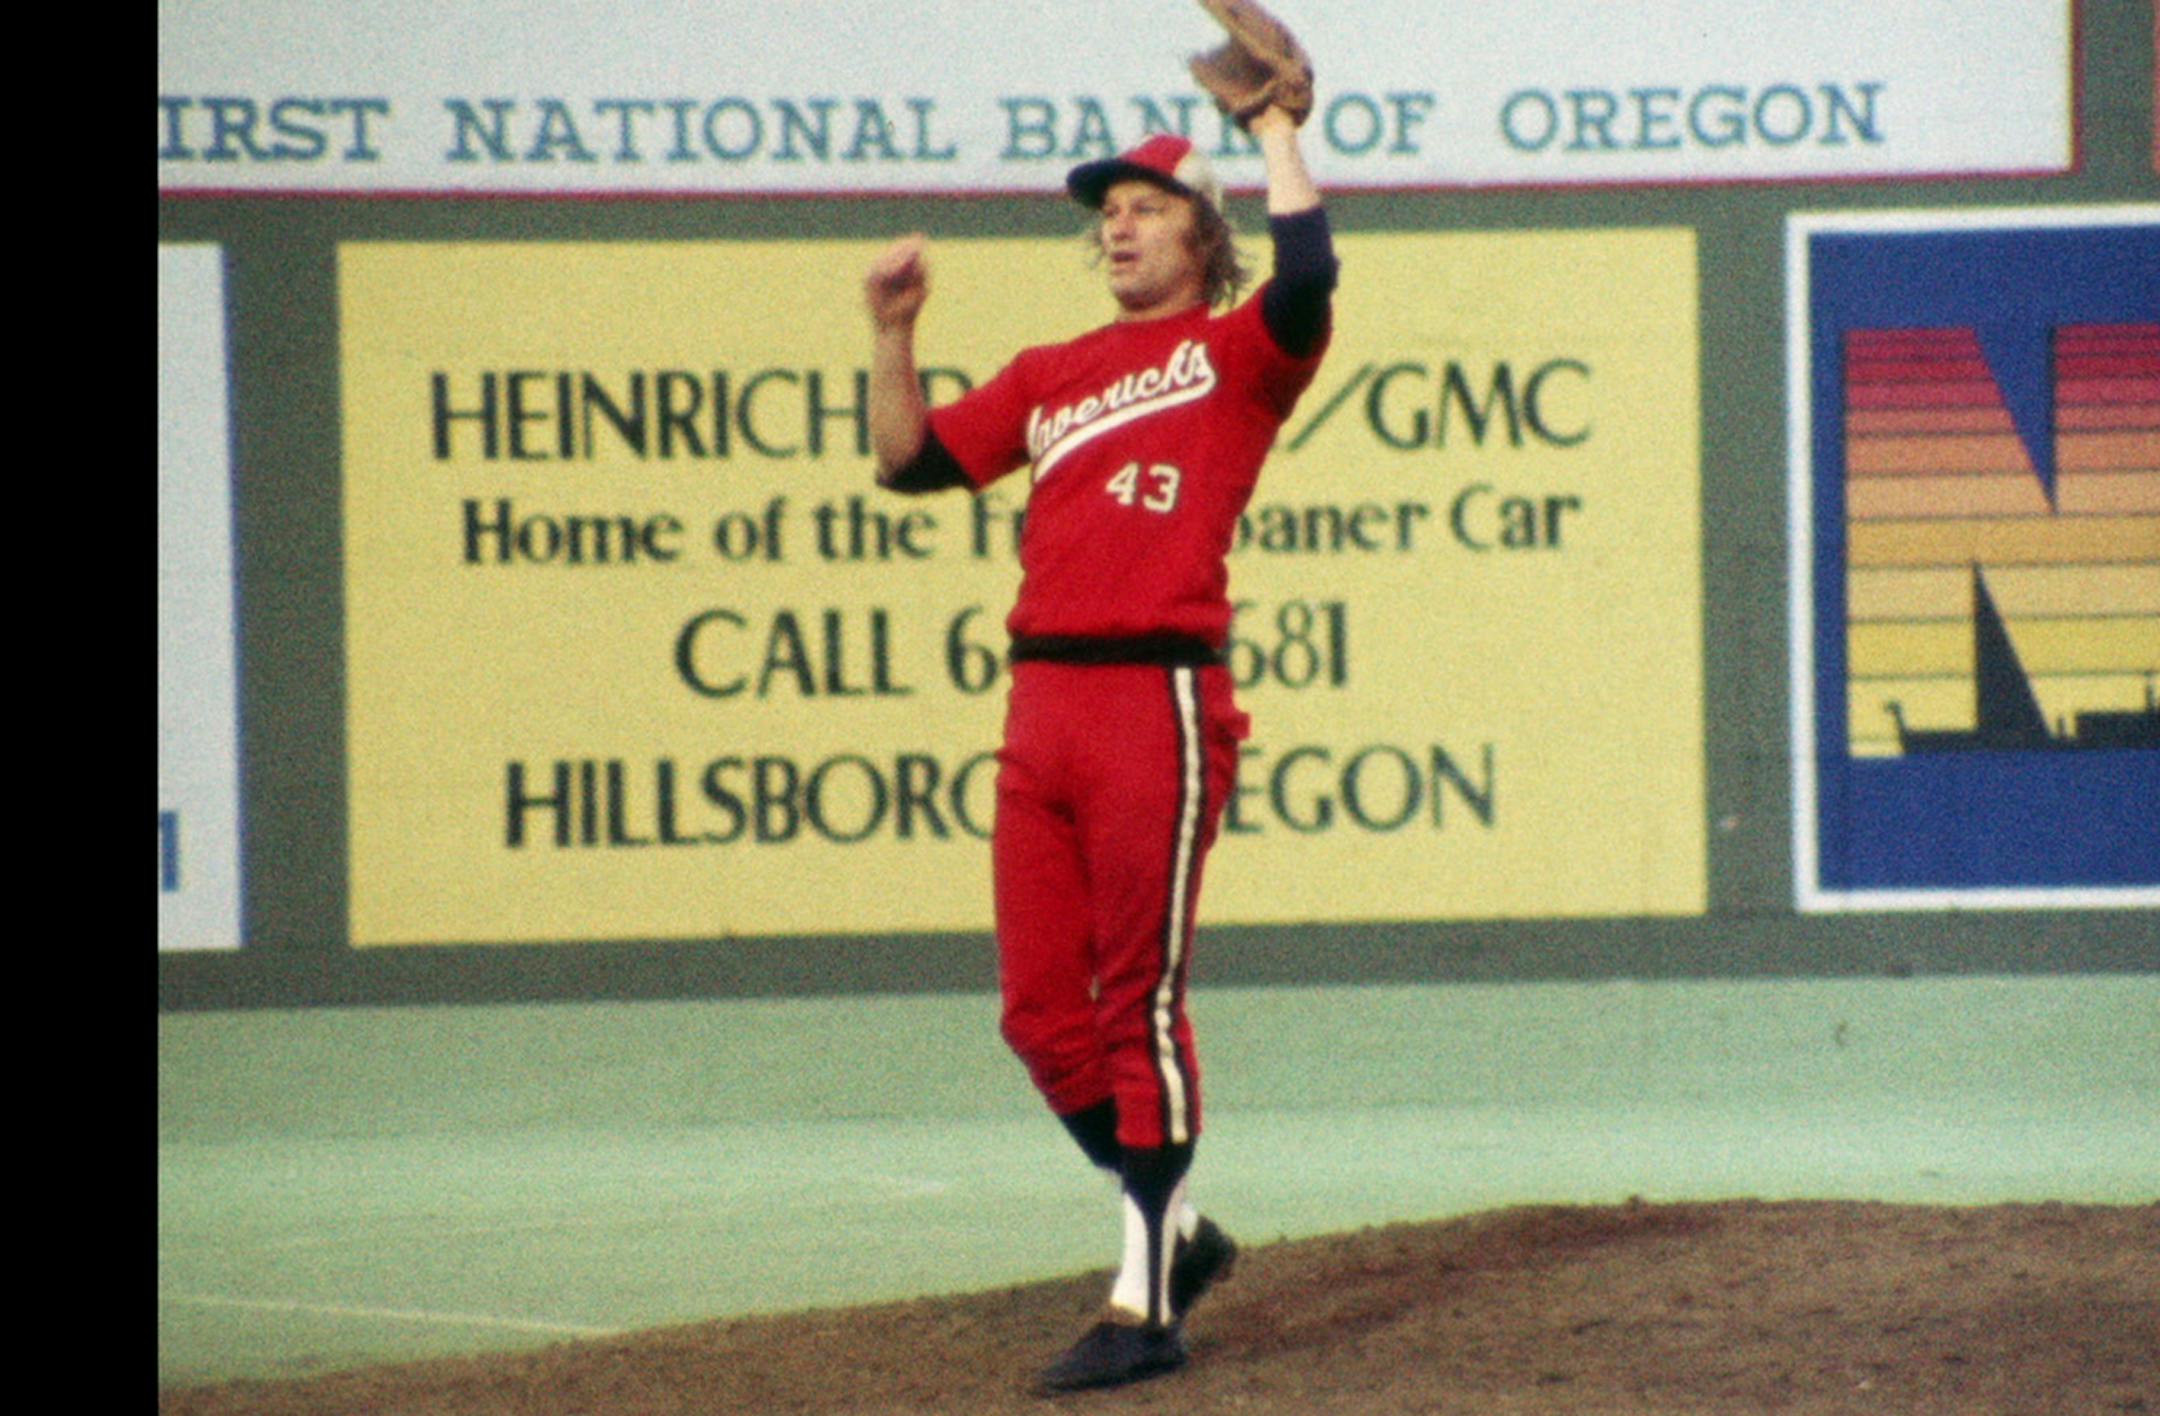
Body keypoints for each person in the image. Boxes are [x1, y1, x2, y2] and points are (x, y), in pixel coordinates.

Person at [864, 103, 1336, 1393]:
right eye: (1106, 211)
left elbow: (1309, 278)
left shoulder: (1241, 353)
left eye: (1145, 204)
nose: (1117, 222)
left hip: (1156, 699)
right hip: (1044, 707)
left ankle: (1144, 1305)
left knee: (1136, 1002)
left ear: (1204, 231)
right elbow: (909, 463)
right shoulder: (1053, 369)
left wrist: (1279, 127)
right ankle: (1180, 1233)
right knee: (1039, 1020)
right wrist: (893, 333)